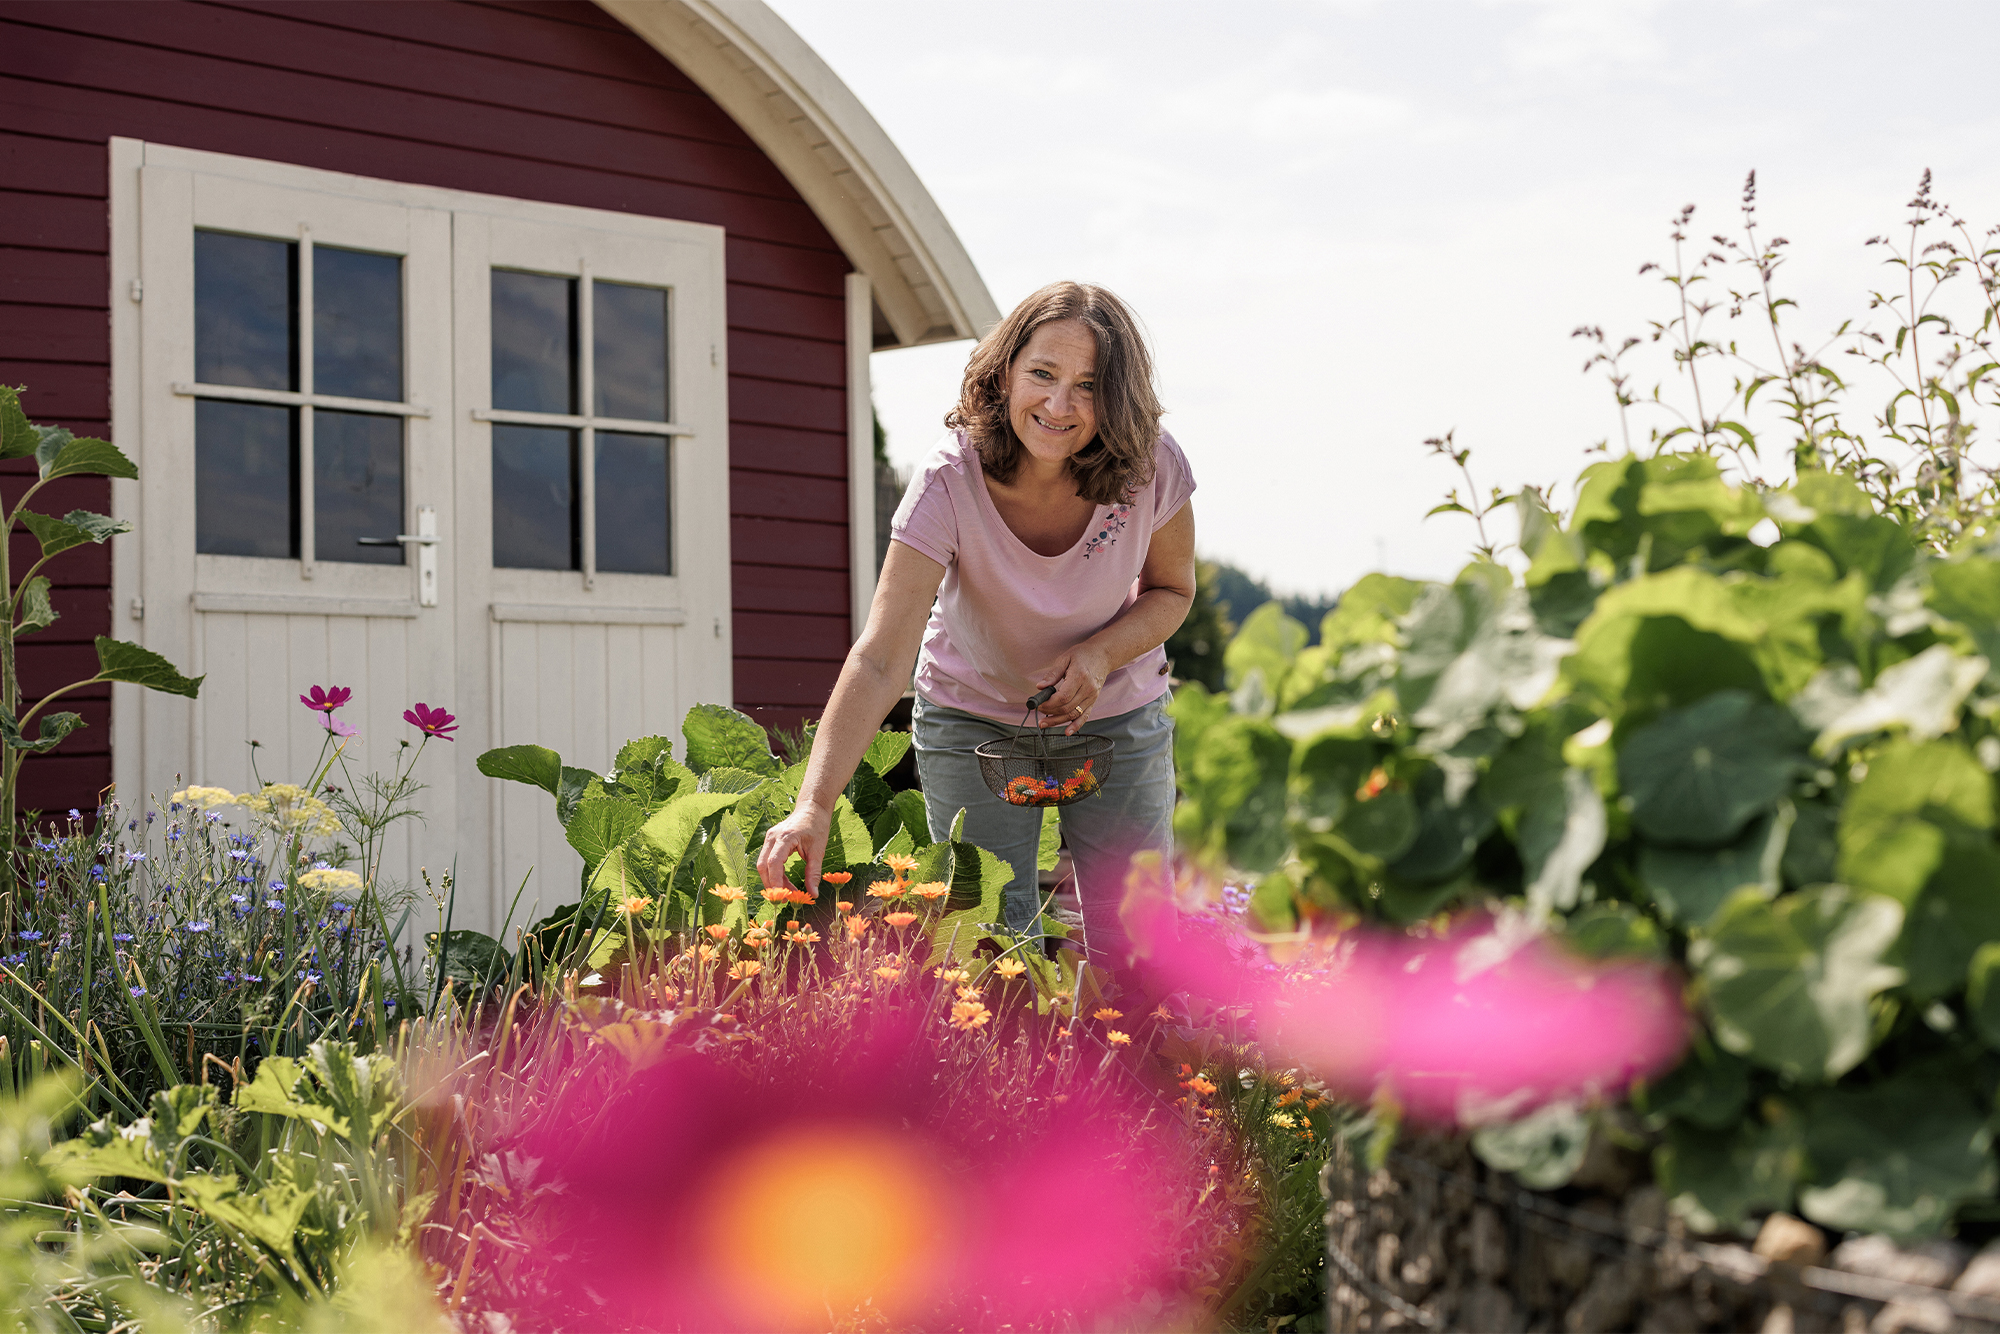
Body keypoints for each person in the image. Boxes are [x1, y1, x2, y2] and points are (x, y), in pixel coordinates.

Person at [754, 281, 1196, 971]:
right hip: (974, 722)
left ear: (1118, 398)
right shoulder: (948, 480)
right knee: (990, 946)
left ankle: (1123, 1079)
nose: (1058, 405)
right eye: (1042, 375)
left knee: (1134, 947)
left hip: (1117, 717)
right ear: (1005, 372)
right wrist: (812, 807)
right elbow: (880, 657)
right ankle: (1014, 1081)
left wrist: (1101, 655)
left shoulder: (1151, 467)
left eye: (1087, 386)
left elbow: (1172, 590)